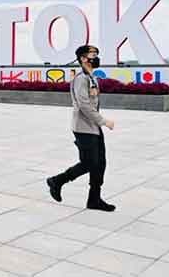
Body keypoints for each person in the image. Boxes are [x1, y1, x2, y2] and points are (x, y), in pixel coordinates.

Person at [46, 45, 116, 212]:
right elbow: (84, 104)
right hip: (83, 128)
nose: (96, 57)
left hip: (93, 128)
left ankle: (94, 199)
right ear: (84, 58)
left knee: (100, 164)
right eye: (93, 54)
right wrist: (103, 121)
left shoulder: (91, 77)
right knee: (89, 163)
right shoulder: (80, 78)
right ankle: (57, 181)